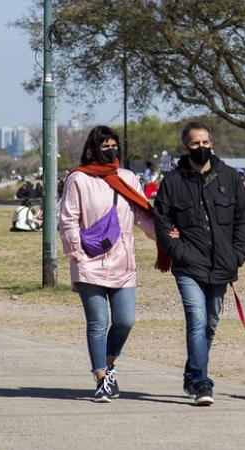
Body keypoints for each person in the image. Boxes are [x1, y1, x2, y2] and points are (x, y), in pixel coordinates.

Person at [59, 125, 170, 403]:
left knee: (125, 320)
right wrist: (76, 253)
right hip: (89, 262)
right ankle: (100, 379)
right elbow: (68, 219)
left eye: (113, 145)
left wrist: (168, 239)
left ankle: (108, 364)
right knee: (97, 322)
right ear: (93, 149)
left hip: (123, 261)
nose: (110, 150)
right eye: (104, 146)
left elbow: (142, 214)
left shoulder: (129, 178)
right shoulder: (78, 179)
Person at [154, 121, 245, 406]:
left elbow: (243, 221)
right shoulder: (173, 182)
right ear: (186, 147)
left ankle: (191, 373)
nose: (202, 148)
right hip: (188, 266)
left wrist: (237, 254)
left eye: (206, 143)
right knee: (196, 321)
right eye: (196, 144)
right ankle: (201, 384)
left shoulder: (230, 178)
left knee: (210, 323)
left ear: (212, 144)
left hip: (222, 265)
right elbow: (162, 223)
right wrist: (178, 250)